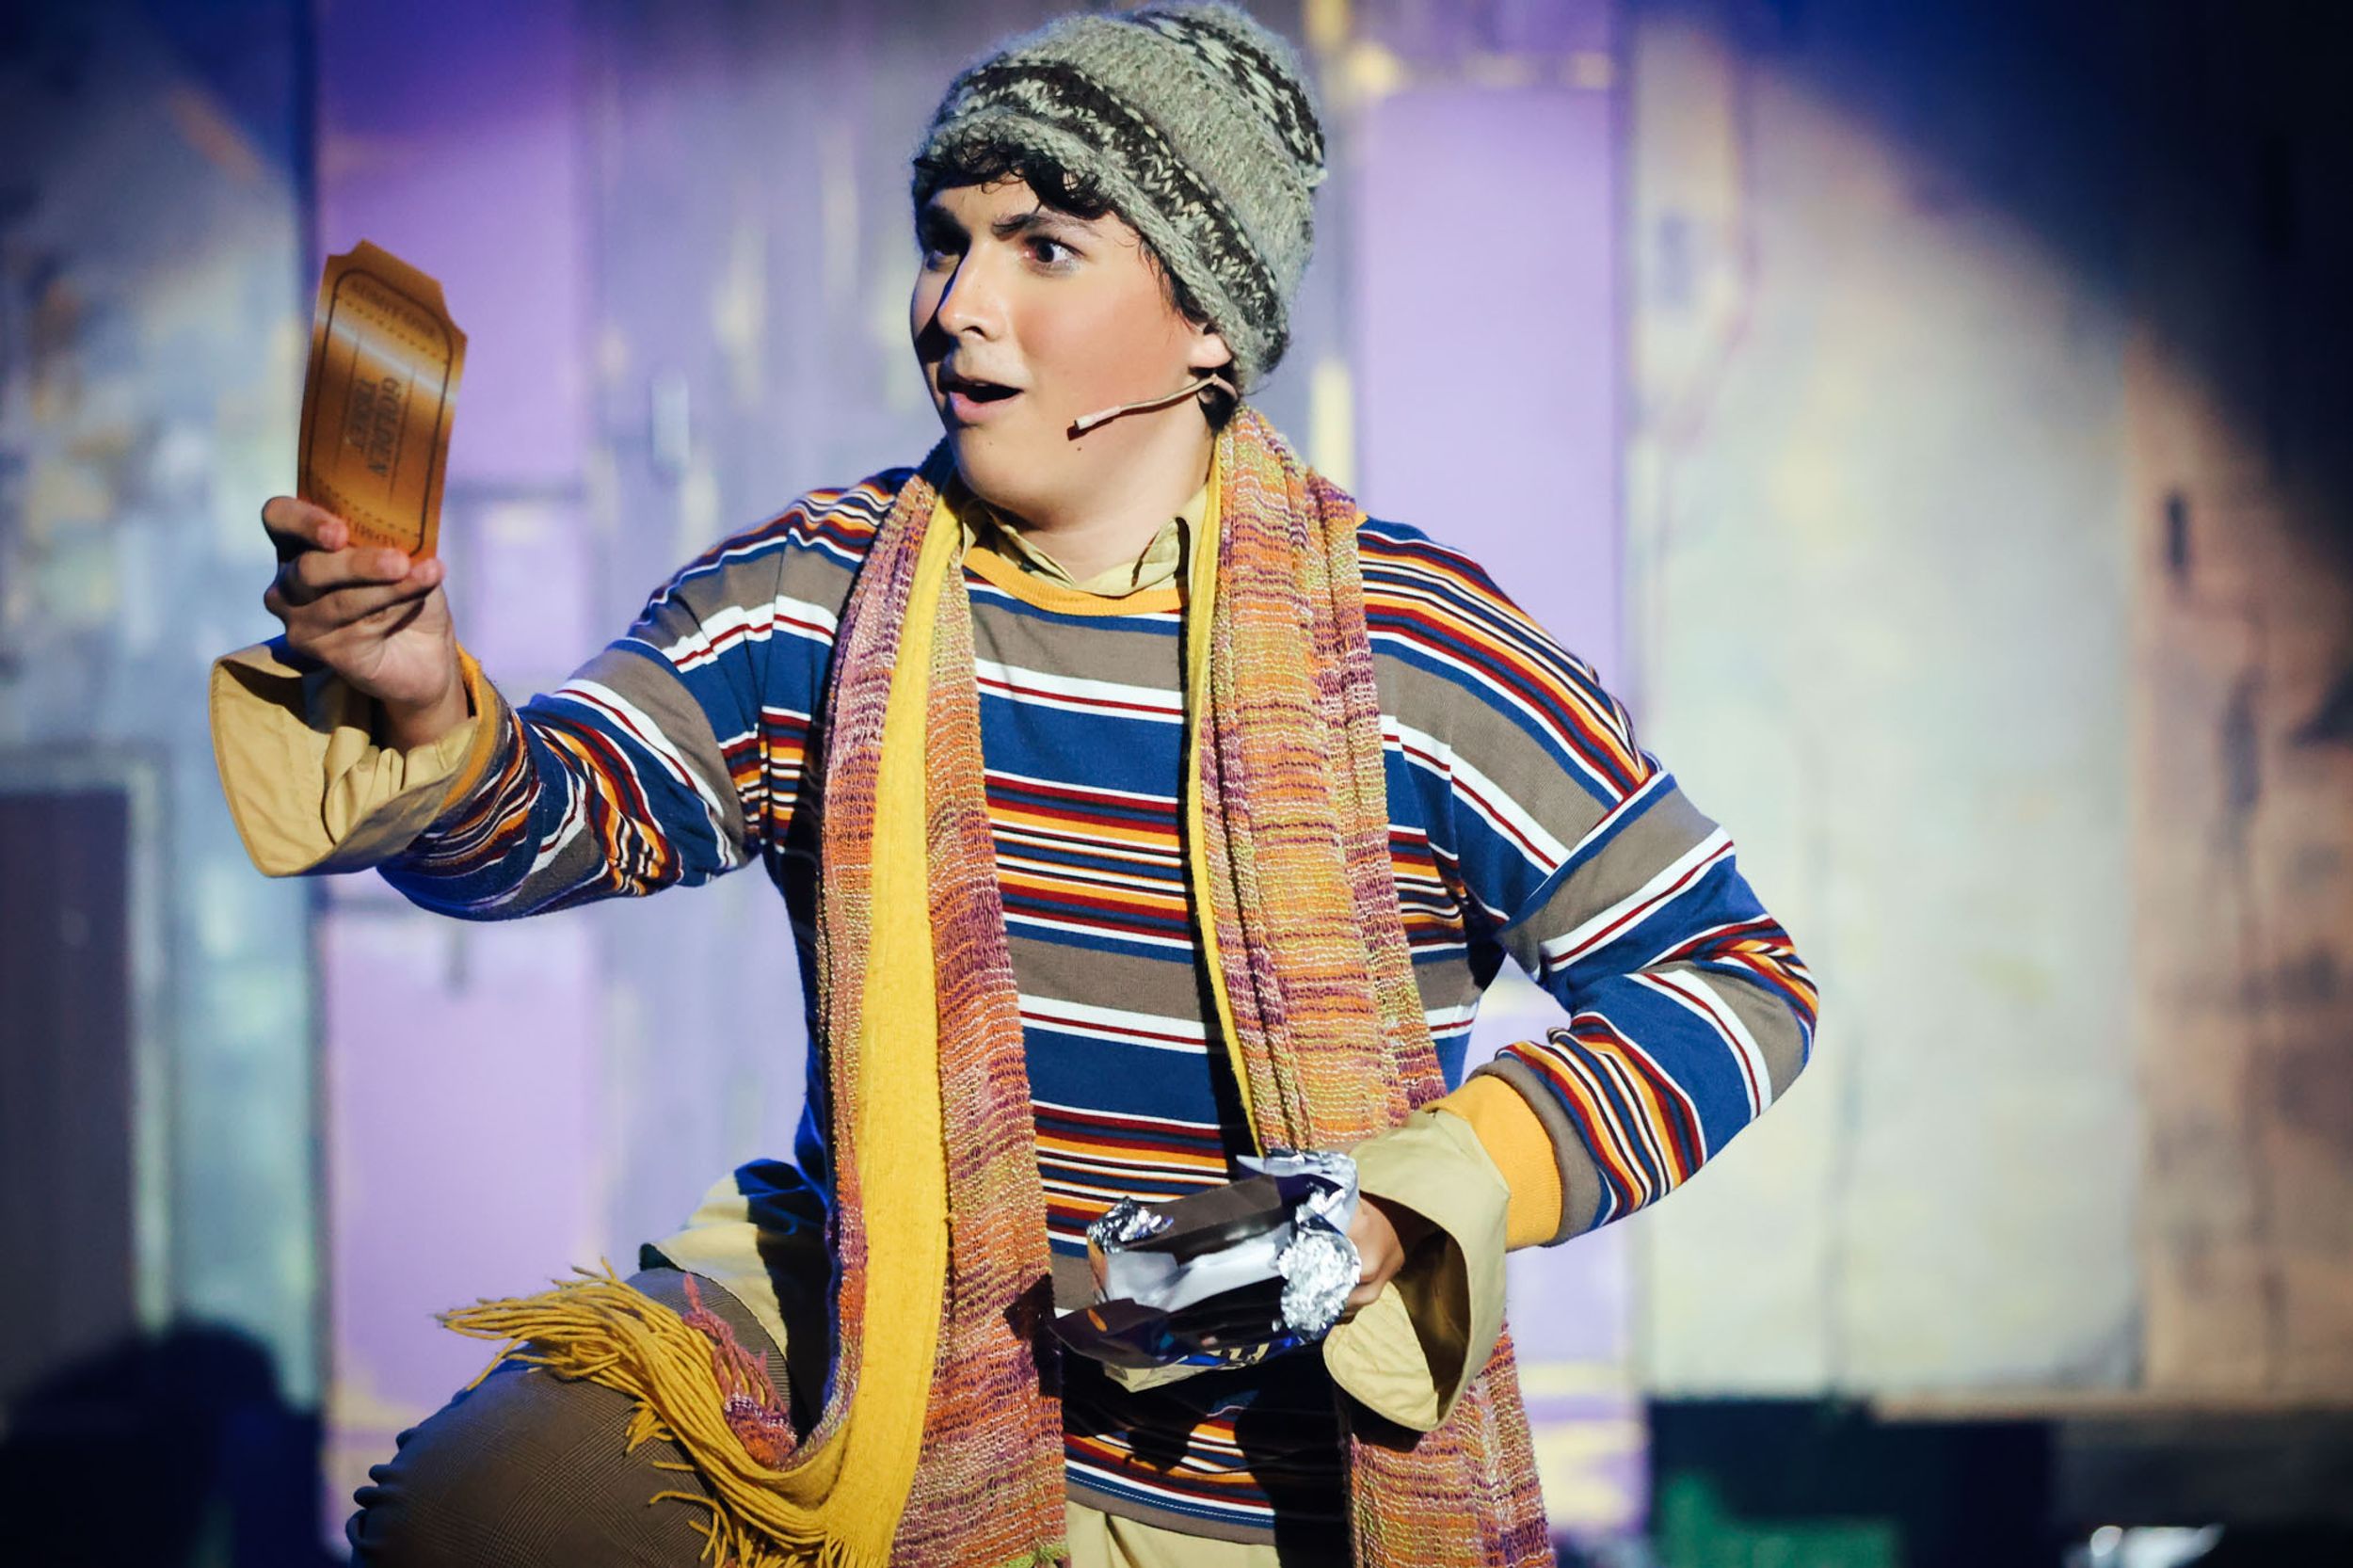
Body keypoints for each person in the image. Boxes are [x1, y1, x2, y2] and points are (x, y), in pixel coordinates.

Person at [210, 5, 1817, 1565]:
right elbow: (553, 819)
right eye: (947, 239)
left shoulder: (1413, 654)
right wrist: (426, 701)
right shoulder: (816, 594)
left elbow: (1734, 979)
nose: (957, 303)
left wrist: (1407, 1199)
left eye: (1043, 247)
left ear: (1205, 321)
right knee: (492, 1512)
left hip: (1262, 1452)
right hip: (873, 1339)